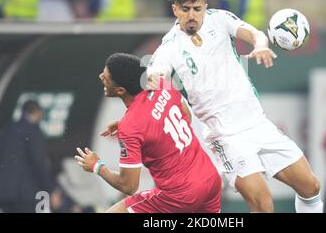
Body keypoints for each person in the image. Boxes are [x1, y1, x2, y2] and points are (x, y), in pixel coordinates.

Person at [104, 0, 323, 213]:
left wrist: (260, 45)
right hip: (225, 136)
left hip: (257, 122)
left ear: (205, 6)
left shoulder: (220, 19)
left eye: (197, 9)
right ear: (175, 9)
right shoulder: (168, 49)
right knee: (263, 202)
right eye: (185, 9)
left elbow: (255, 34)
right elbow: (153, 83)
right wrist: (135, 114)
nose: (192, 15)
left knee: (310, 187)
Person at [75, 53, 221, 213]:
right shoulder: (162, 84)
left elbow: (128, 186)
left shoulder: (131, 126)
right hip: (210, 179)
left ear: (121, 90)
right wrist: (149, 126)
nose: (101, 76)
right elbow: (186, 117)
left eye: (106, 76)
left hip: (179, 195)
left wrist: (97, 166)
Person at [0, 100, 56, 213]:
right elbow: (38, 163)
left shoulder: (5, 130)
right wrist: (50, 190)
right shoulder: (33, 130)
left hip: (4, 193)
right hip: (25, 194)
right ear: (38, 112)